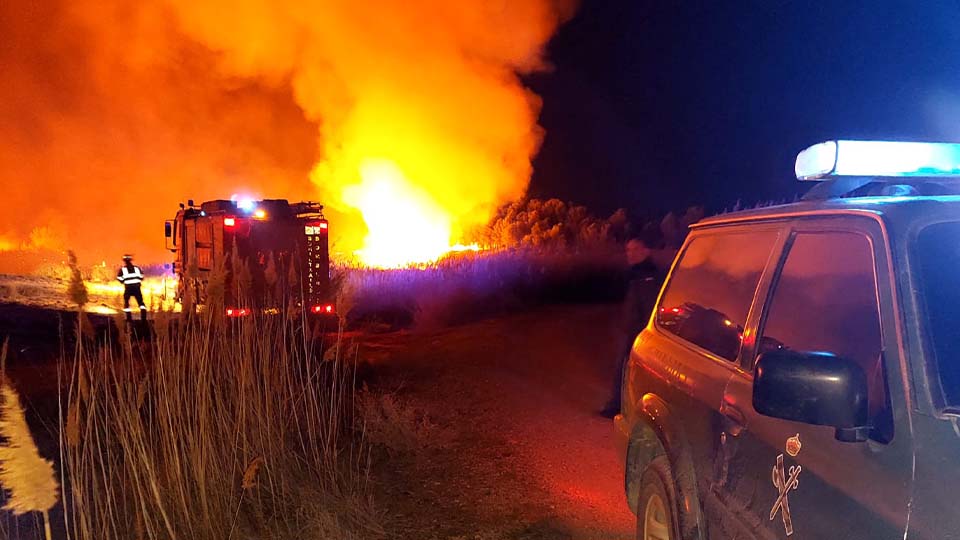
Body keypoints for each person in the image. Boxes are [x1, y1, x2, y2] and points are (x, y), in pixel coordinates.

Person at [601, 234, 668, 418]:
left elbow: (647, 308)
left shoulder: (649, 276)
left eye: (634, 249)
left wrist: (641, 333)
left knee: (630, 371)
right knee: (624, 369)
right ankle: (619, 405)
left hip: (639, 334)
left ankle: (623, 408)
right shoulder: (635, 274)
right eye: (627, 250)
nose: (629, 254)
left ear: (645, 251)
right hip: (631, 331)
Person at [117, 254, 147, 322]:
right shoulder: (137, 268)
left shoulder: (123, 270)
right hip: (137, 288)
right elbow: (142, 276)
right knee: (141, 303)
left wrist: (123, 281)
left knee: (127, 303)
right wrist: (137, 281)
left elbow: (119, 278)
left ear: (124, 261)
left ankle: (129, 318)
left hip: (128, 288)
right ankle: (144, 318)